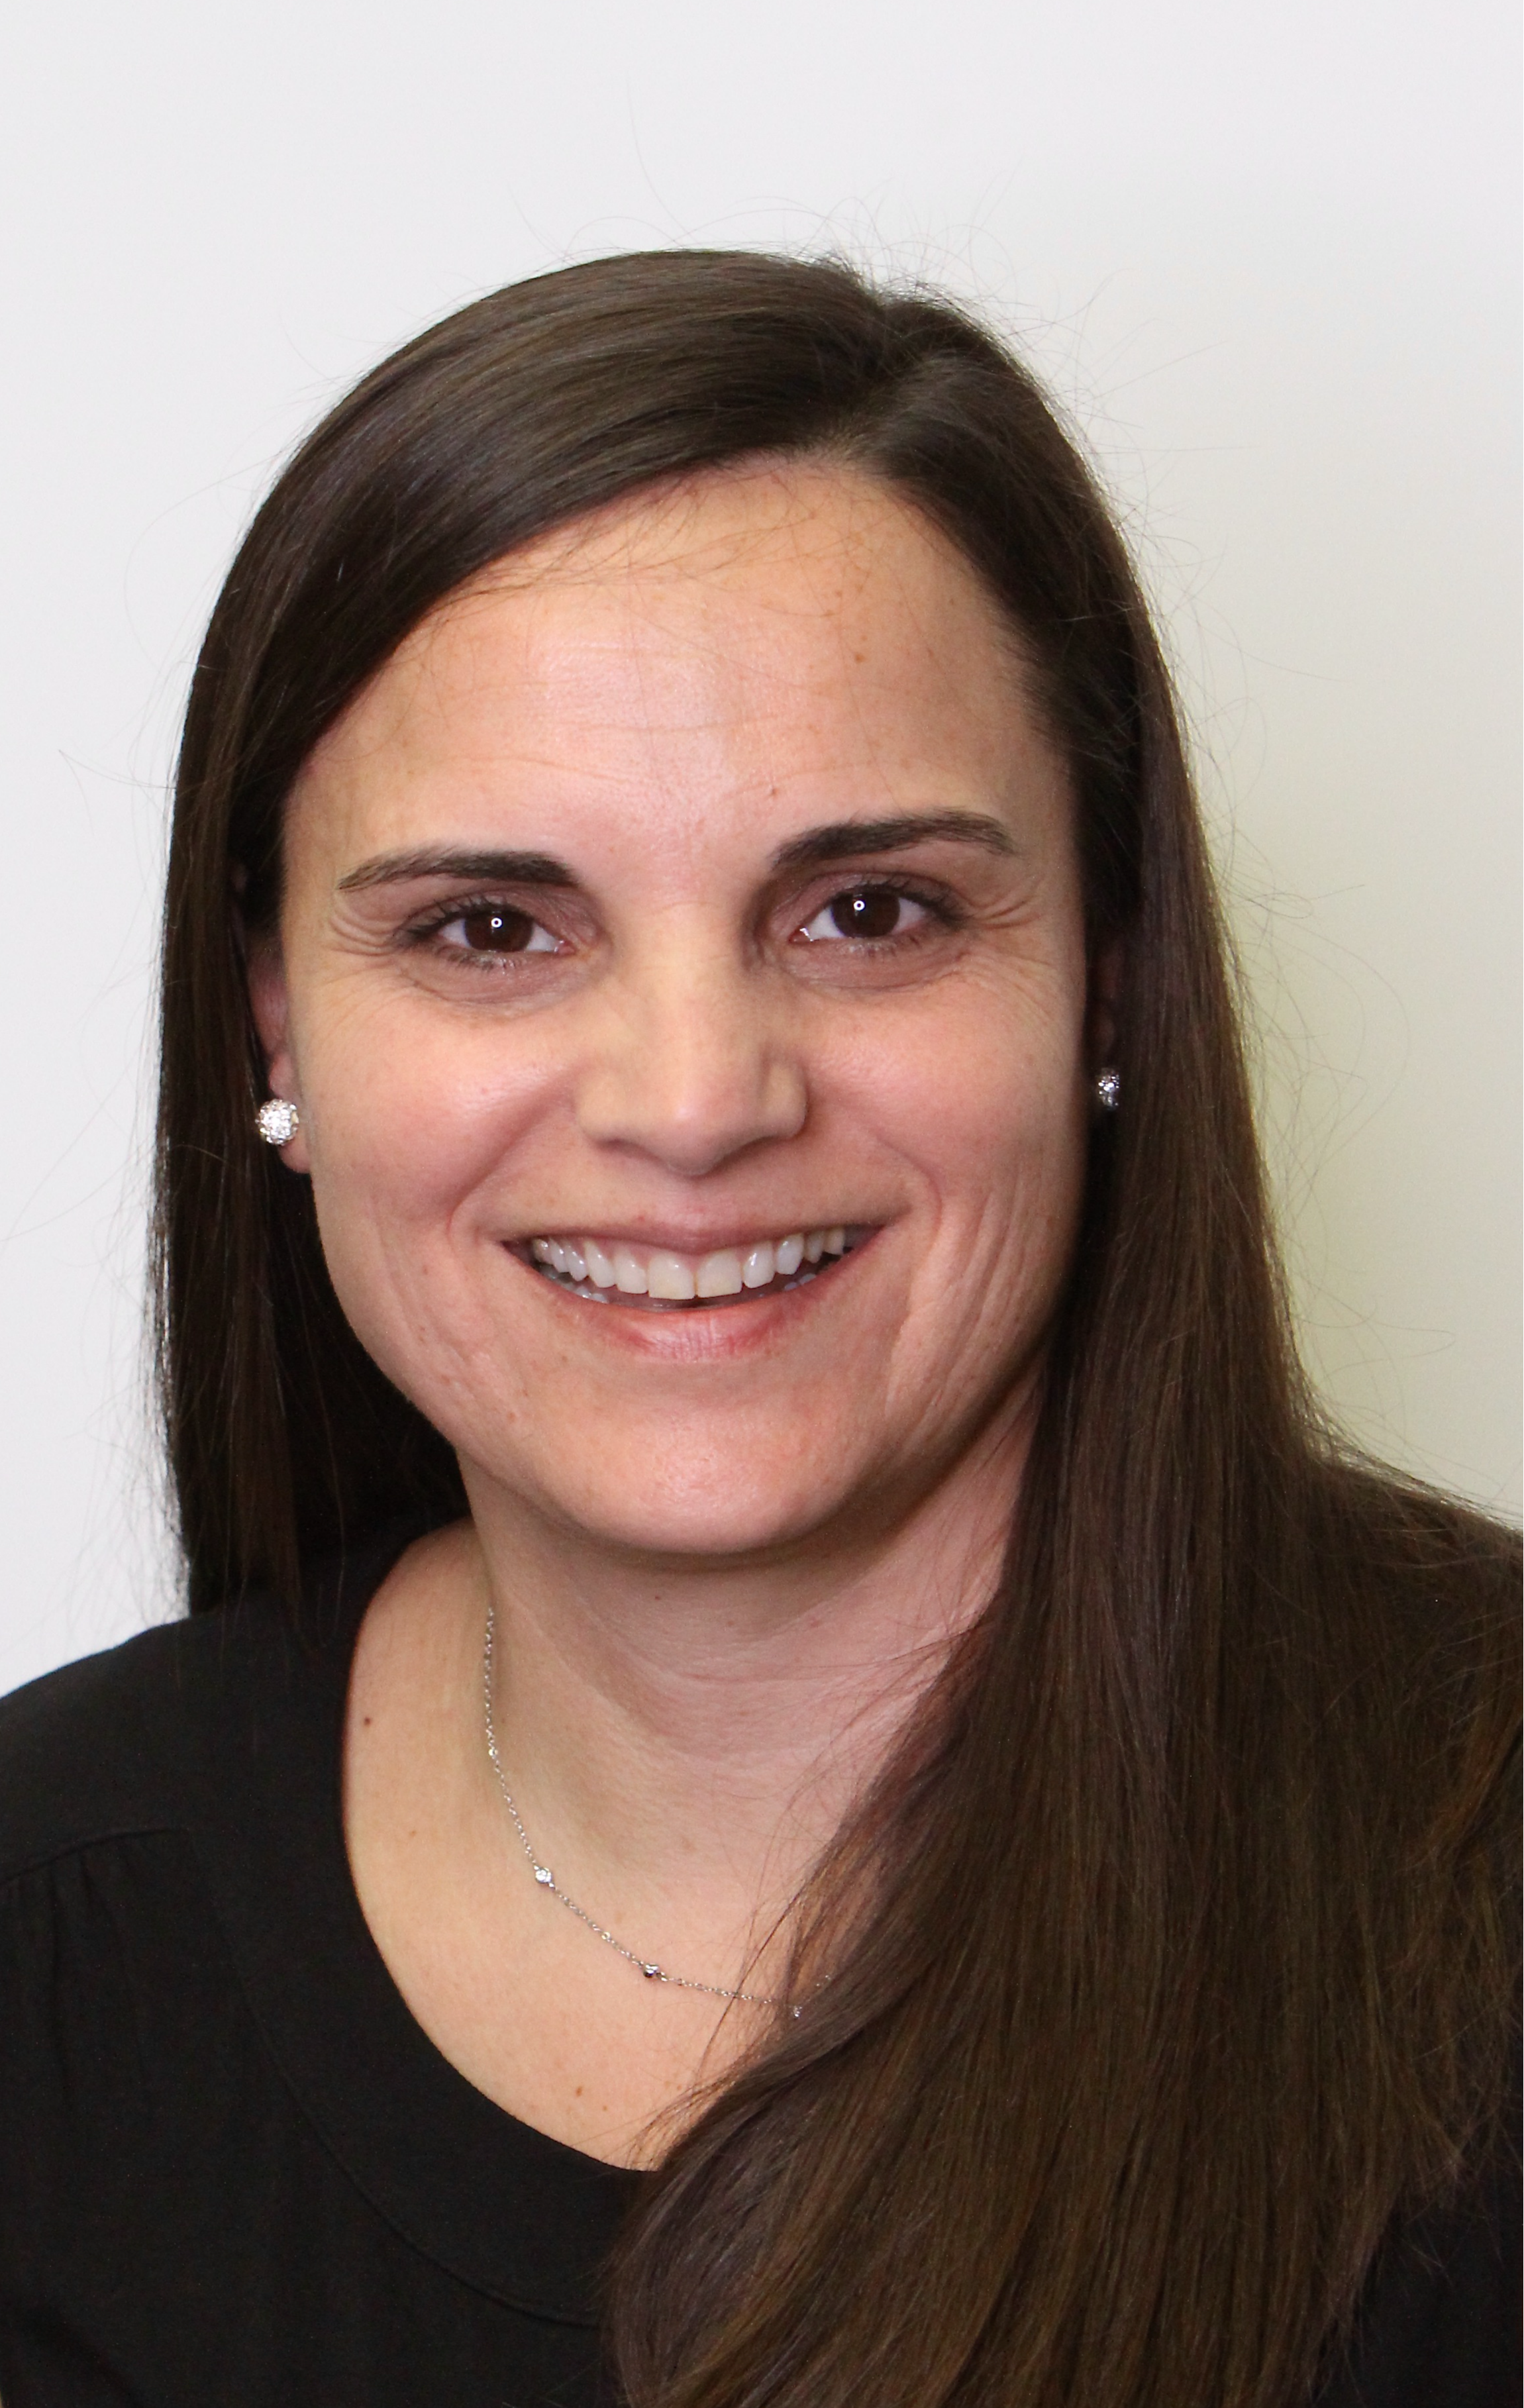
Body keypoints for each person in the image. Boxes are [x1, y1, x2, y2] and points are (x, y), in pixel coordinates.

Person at [0, 250, 1516, 2408]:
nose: (695, 1099)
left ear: (1102, 973)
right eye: (493, 927)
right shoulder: (46, 1938)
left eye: (869, 910)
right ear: (275, 1024)